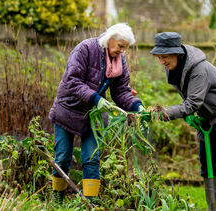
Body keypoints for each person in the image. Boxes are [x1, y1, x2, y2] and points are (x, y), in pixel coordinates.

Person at [147, 32, 216, 210]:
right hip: (208, 116)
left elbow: (192, 102)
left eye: (165, 57)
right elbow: (192, 99)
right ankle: (212, 208)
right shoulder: (174, 67)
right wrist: (189, 114)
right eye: (159, 57)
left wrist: (167, 113)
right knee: (207, 164)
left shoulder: (198, 69)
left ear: (178, 53)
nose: (162, 62)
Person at [48, 23, 145, 203]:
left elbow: (121, 91)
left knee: (91, 159)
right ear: (109, 40)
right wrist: (95, 98)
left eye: (125, 48)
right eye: (120, 46)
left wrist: (137, 106)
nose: (122, 52)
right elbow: (72, 80)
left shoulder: (119, 60)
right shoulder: (85, 49)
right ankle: (58, 201)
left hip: (93, 115)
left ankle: (89, 203)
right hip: (68, 109)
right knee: (62, 158)